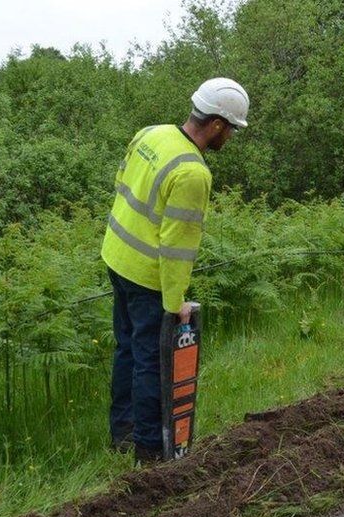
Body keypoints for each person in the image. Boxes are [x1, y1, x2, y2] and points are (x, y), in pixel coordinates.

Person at [100, 77, 249, 464]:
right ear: (216, 124)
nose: (230, 137)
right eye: (231, 128)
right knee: (151, 359)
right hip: (147, 275)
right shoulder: (193, 174)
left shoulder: (151, 134)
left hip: (116, 257)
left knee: (127, 348)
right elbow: (177, 247)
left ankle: (123, 433)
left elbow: (121, 183)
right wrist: (174, 303)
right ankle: (149, 451)